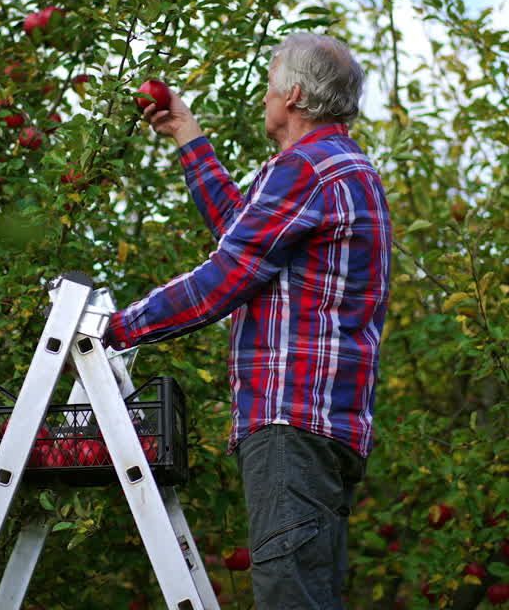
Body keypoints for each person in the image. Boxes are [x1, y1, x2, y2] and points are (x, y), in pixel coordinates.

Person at [102, 32, 392, 609]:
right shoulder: (339, 167)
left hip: (291, 422)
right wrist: (188, 135)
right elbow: (246, 236)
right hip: (323, 426)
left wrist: (114, 330)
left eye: (269, 84)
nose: (264, 97)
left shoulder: (309, 169)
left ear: (295, 95)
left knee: (289, 597)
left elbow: (228, 276)